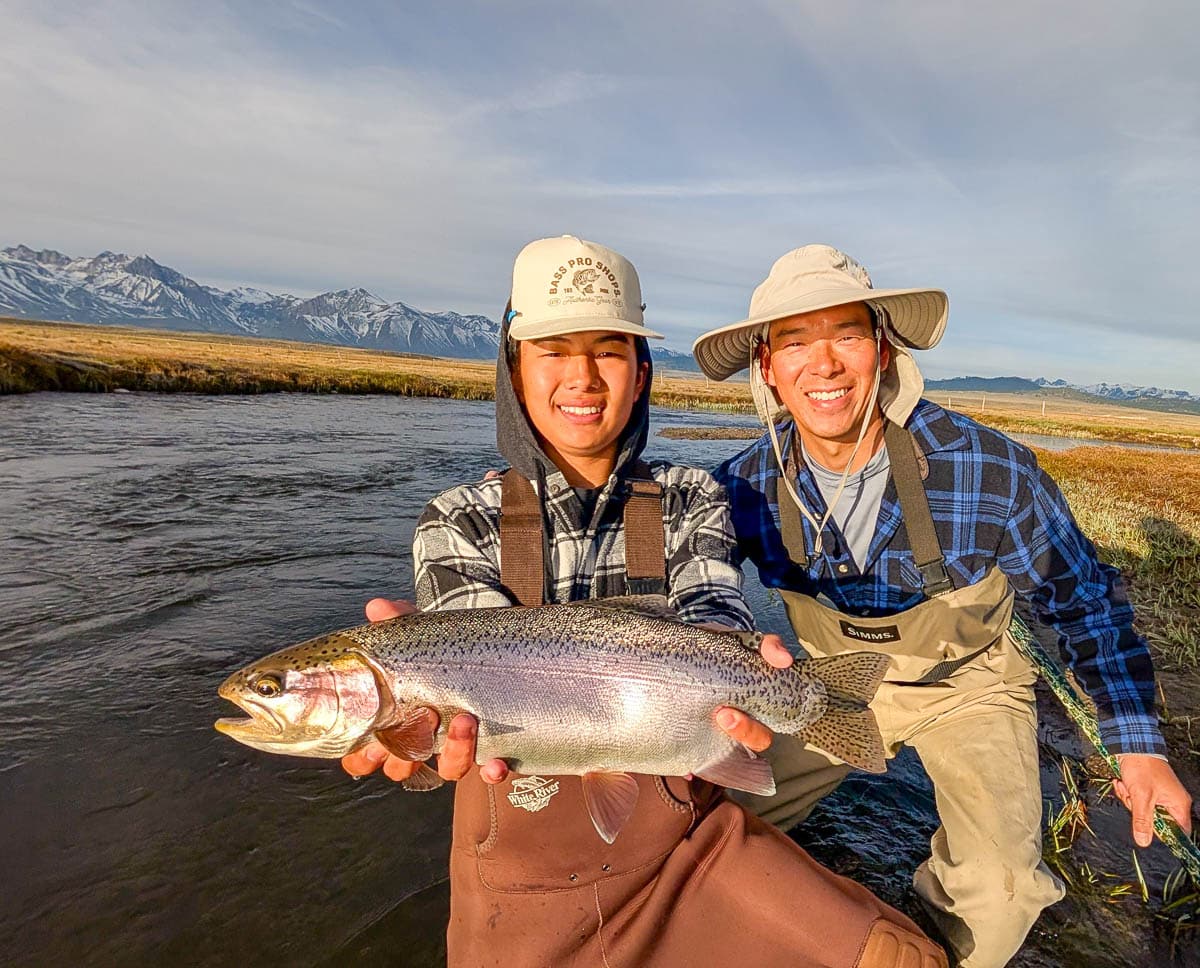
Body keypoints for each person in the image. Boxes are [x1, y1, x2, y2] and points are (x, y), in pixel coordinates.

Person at [343, 235, 948, 968]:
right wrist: (418, 738)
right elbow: (459, 708)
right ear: (514, 371)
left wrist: (755, 689)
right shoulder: (457, 519)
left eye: (608, 349)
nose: (583, 377)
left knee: (903, 958)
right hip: (520, 885)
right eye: (554, 350)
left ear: (641, 373)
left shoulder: (691, 498)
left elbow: (716, 618)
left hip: (684, 839)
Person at [691, 244, 1195, 968]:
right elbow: (685, 602)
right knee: (692, 819)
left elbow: (1082, 599)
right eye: (794, 341)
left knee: (1002, 890)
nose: (823, 364)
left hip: (973, 690)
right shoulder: (739, 487)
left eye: (846, 335)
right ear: (766, 368)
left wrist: (1136, 742)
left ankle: (925, 946)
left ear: (883, 348)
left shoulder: (990, 468)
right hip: (826, 684)